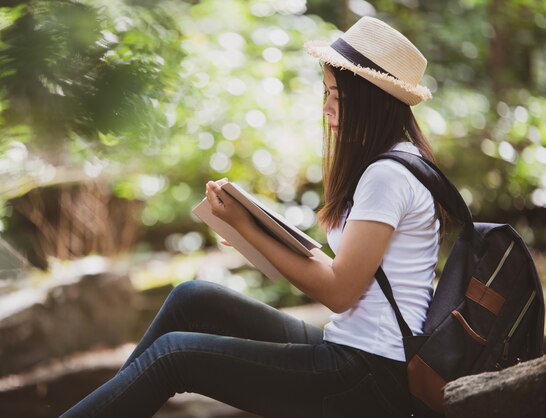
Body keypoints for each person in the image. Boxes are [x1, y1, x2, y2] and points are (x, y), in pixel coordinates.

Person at [60, 15, 444, 418]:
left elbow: (339, 292)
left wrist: (248, 229)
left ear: (374, 102)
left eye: (340, 99)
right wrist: (260, 232)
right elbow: (353, 275)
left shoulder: (388, 175)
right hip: (354, 351)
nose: (328, 109)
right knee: (192, 298)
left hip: (367, 376)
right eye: (327, 93)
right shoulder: (396, 161)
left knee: (173, 357)